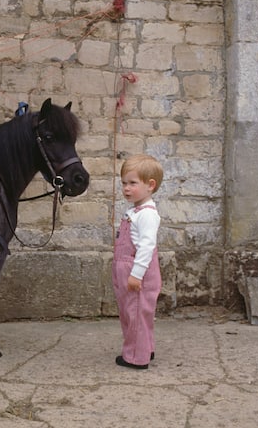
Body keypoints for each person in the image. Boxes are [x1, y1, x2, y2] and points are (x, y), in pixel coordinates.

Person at [112, 154, 163, 369]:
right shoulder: (135, 211)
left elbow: (146, 247)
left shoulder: (147, 215)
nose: (126, 188)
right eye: (124, 183)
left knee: (135, 314)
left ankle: (135, 357)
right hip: (127, 269)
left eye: (133, 183)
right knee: (135, 313)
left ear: (150, 185)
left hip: (136, 272)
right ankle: (145, 348)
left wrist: (136, 274)